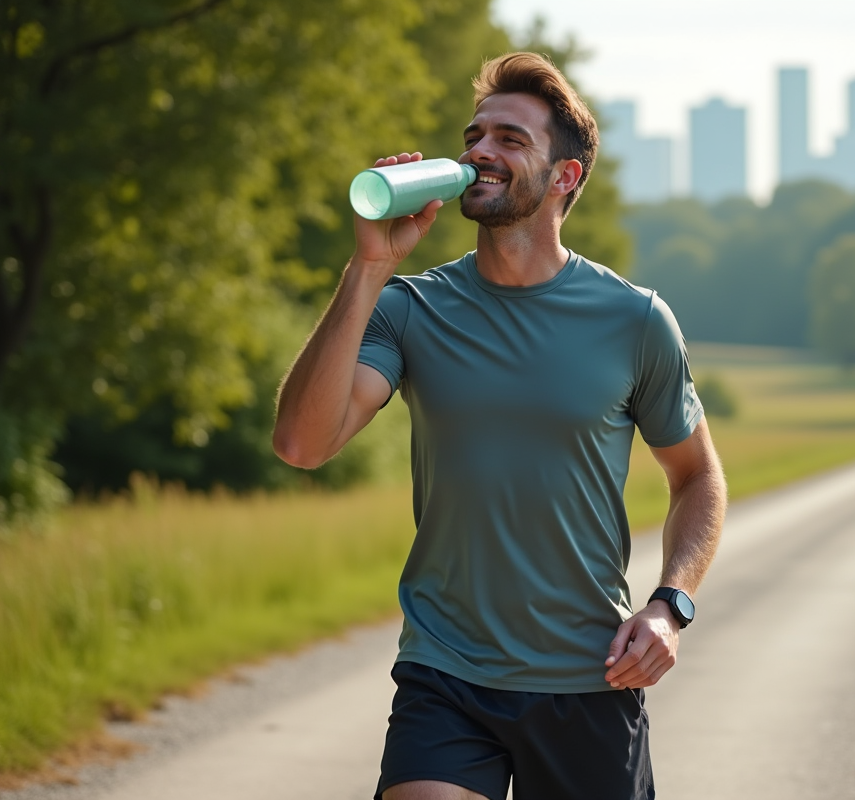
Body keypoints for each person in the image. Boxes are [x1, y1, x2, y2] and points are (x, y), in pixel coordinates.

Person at [273, 52, 726, 800]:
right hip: (445, 671)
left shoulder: (635, 320)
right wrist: (367, 268)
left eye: (510, 140)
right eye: (474, 136)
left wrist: (670, 606)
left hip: (590, 674)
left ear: (564, 177)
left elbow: (697, 475)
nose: (479, 150)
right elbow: (301, 444)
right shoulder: (410, 308)